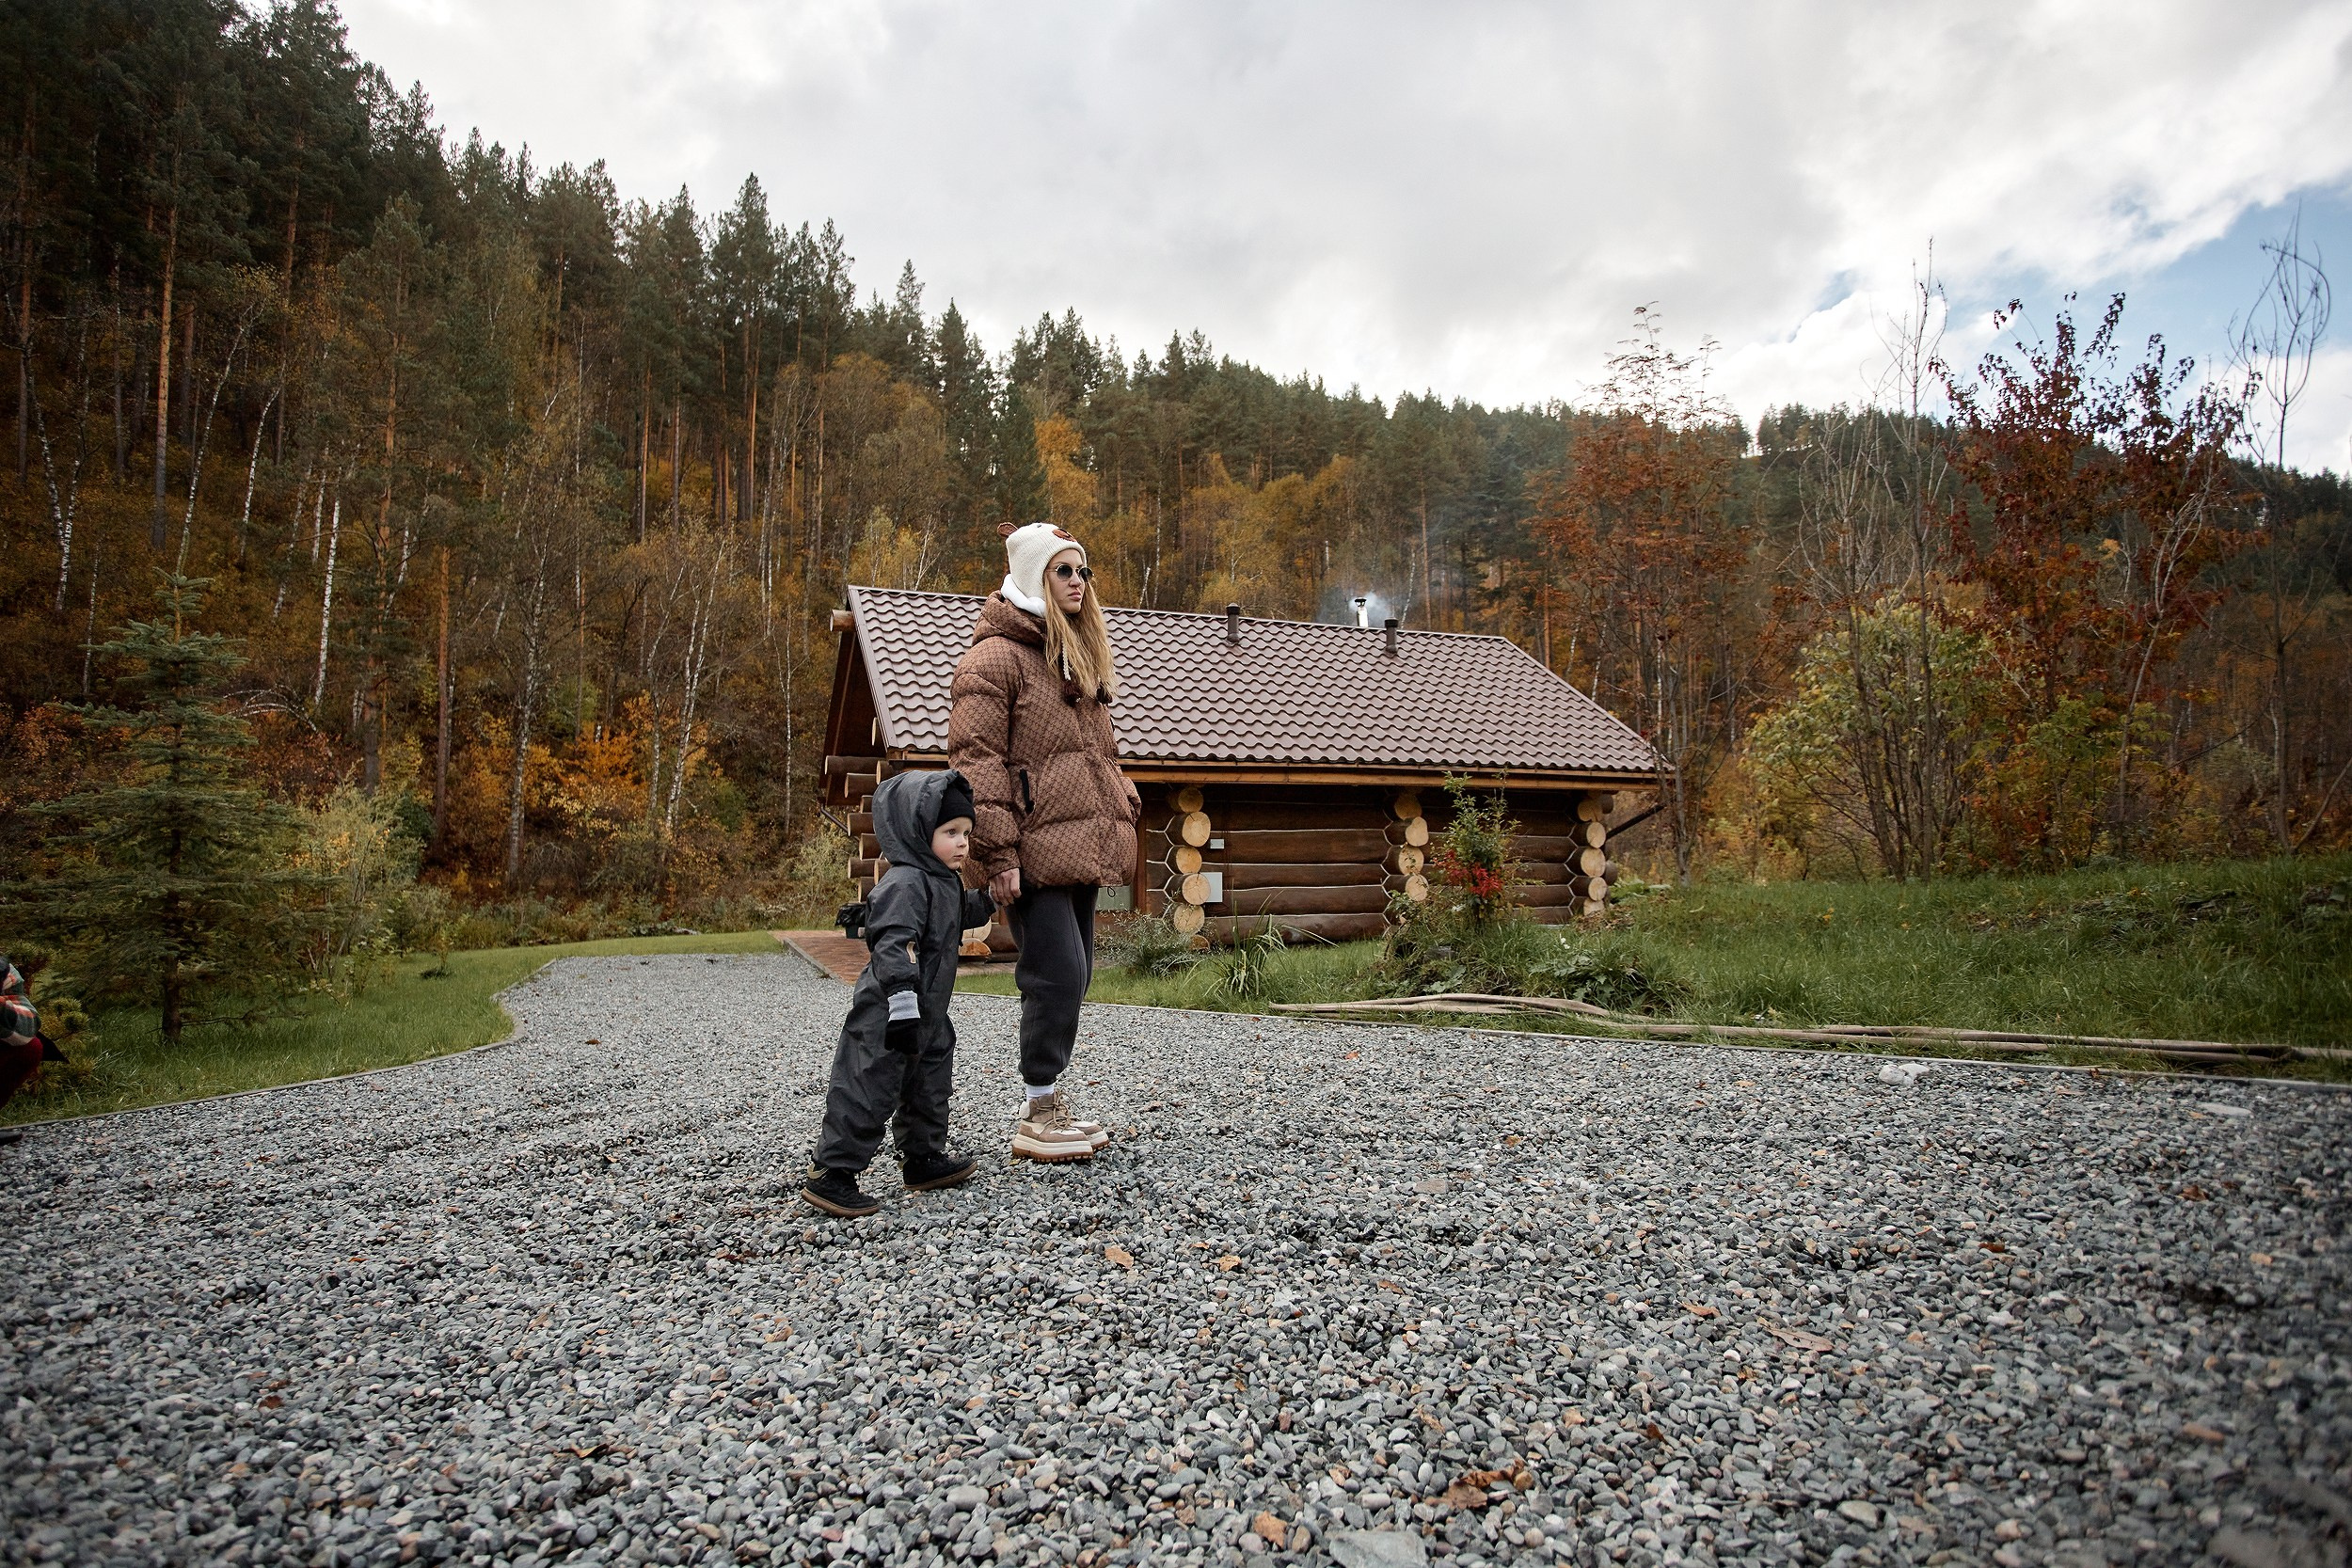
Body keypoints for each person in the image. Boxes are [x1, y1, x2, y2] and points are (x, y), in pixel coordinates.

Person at [948, 521, 1139, 1163]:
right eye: (1064, 570)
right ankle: (1037, 1112)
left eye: (1083, 570)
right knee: (1054, 975)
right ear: (1034, 576)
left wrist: (1123, 802)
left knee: (1076, 973)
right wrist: (997, 855)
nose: (1079, 581)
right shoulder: (993, 660)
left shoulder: (1072, 656)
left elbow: (1099, 756)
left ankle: (1050, 1098)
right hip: (1029, 852)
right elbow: (975, 763)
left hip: (1077, 847)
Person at [802, 768, 999, 1218]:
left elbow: (950, 917)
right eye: (951, 832)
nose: (963, 842)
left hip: (929, 1012)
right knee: (869, 1082)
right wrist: (902, 1005)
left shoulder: (943, 881)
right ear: (915, 831)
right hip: (890, 1010)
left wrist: (985, 901)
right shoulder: (905, 882)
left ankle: (923, 1157)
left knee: (928, 1083)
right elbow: (893, 943)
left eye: (966, 832)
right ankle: (833, 1172)